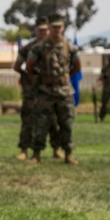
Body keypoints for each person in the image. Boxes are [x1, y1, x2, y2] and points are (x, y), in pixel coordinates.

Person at [26, 13, 80, 164]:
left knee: (66, 123)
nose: (56, 30)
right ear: (49, 28)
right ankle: (36, 154)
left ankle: (68, 153)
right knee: (41, 123)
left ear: (63, 28)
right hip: (45, 91)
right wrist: (42, 76)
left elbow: (77, 66)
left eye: (59, 27)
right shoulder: (40, 47)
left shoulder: (69, 46)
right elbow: (30, 66)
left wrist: (64, 76)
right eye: (54, 27)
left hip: (64, 90)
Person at [15, 16, 49, 157]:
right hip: (32, 90)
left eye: (45, 30)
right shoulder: (28, 48)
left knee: (52, 120)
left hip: (49, 89)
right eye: (40, 30)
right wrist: (29, 74)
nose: (43, 33)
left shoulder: (55, 47)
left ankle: (57, 148)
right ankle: (24, 149)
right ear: (35, 30)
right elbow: (17, 66)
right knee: (28, 118)